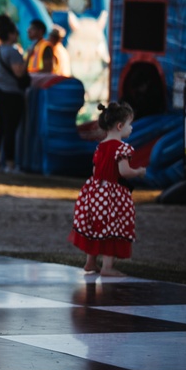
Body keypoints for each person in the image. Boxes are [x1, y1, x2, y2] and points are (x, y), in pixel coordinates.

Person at [69, 102, 147, 277]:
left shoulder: (101, 146)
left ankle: (90, 262)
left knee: (96, 226)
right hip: (112, 194)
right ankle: (107, 267)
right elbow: (124, 171)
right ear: (120, 126)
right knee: (112, 228)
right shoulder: (122, 148)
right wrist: (139, 172)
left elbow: (95, 170)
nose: (131, 128)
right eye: (129, 124)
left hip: (94, 191)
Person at [0, 15, 28, 173]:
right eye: (16, 33)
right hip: (11, 94)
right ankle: (11, 164)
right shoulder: (12, 52)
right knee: (10, 129)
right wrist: (27, 58)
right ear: (10, 34)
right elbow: (19, 73)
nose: (17, 36)